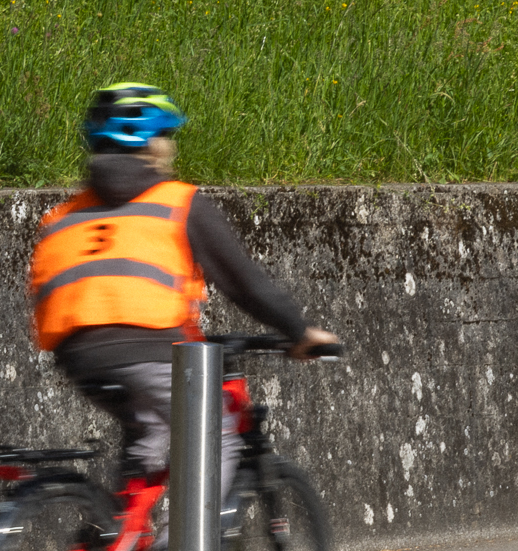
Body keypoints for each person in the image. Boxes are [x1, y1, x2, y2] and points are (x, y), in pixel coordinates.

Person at [29, 82, 341, 489]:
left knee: (151, 432)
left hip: (78, 358)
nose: (172, 148)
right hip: (153, 351)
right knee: (217, 437)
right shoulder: (177, 201)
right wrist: (299, 332)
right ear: (152, 144)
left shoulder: (63, 216)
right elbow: (245, 284)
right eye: (168, 136)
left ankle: (120, 533)